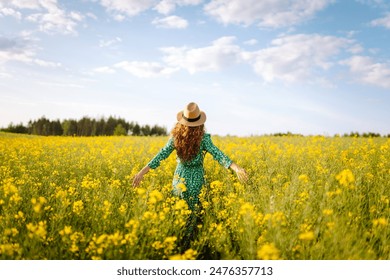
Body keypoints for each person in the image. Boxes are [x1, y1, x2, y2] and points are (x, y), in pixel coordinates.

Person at [132, 102, 248, 250]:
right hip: (197, 180)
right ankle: (191, 249)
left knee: (179, 216)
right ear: (199, 122)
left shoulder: (176, 137)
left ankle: (178, 248)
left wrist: (142, 172)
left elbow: (161, 155)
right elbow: (218, 155)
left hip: (179, 179)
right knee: (193, 219)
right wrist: (236, 168)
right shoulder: (203, 138)